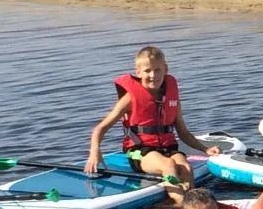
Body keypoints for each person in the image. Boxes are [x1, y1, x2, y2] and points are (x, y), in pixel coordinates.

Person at [87, 45, 208, 188]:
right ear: (138, 72)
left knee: (186, 168)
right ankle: (178, 199)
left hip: (167, 149)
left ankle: (190, 199)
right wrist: (95, 152)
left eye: (157, 70)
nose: (153, 75)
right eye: (147, 71)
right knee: (169, 165)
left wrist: (206, 150)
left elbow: (184, 133)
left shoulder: (171, 97)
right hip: (139, 151)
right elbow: (100, 128)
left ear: (165, 69)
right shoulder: (130, 99)